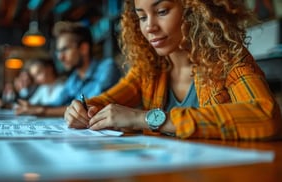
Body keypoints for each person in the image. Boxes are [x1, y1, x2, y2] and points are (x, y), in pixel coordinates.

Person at [64, 0, 282, 140]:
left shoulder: (230, 58)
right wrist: (83, 110)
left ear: (193, 10)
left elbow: (265, 115)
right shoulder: (148, 69)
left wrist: (147, 119)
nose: (149, 27)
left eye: (161, 11)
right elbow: (105, 103)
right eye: (141, 17)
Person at [16, 21, 122, 117]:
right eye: (58, 52)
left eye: (65, 50)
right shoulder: (74, 78)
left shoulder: (107, 68)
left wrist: (41, 110)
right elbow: (57, 104)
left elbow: (90, 107)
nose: (60, 57)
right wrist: (31, 107)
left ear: (83, 48)